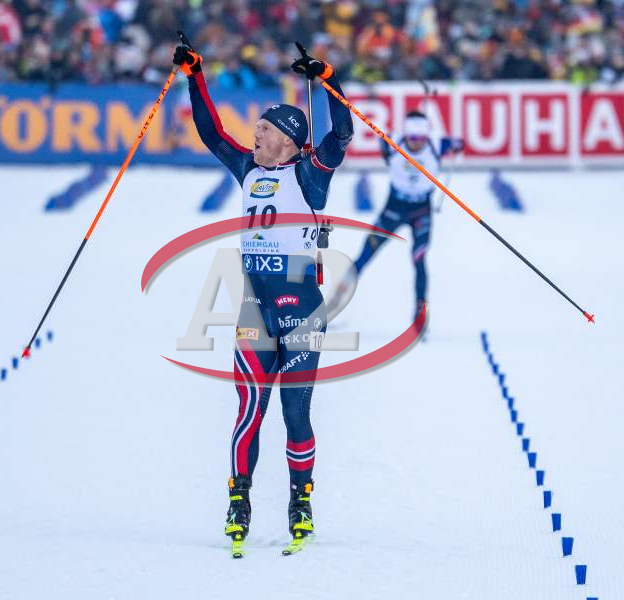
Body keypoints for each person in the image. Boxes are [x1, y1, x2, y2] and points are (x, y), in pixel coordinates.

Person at [172, 39, 353, 553]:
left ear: (289, 141)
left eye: (265, 131)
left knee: (295, 413)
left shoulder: (310, 174)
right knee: (249, 410)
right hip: (255, 310)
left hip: (303, 315)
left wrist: (327, 79)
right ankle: (239, 503)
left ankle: (301, 502)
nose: (254, 136)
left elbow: (342, 132)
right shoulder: (248, 170)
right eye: (255, 130)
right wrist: (195, 74)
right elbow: (211, 133)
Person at [332, 112, 463, 322]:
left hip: (421, 210)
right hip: (394, 208)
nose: (418, 143)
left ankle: (419, 314)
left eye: (422, 138)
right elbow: (382, 145)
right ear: (406, 134)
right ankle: (333, 303)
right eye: (413, 138)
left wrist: (457, 145)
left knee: (419, 259)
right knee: (365, 254)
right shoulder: (392, 142)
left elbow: (459, 143)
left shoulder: (437, 144)